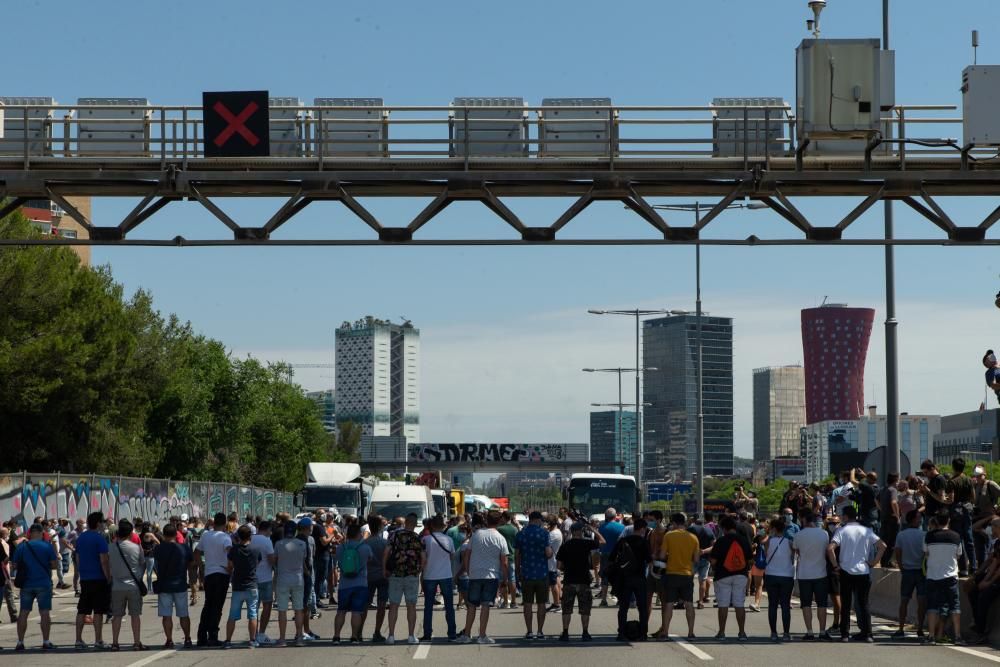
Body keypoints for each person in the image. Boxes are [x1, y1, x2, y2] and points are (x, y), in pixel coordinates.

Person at [827, 505, 886, 642]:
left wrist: (836, 566)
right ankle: (867, 634)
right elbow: (883, 546)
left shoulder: (841, 531)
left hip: (846, 571)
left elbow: (830, 549)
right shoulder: (866, 530)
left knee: (846, 604)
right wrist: (873, 562)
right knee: (864, 603)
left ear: (846, 517)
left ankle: (845, 634)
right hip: (863, 571)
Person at [457, 511, 509, 645]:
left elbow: (467, 554)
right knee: (486, 605)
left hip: (475, 574)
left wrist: (469, 570)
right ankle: (482, 635)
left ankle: (467, 634)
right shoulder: (500, 538)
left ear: (486, 520)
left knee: (472, 605)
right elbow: (504, 561)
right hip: (491, 575)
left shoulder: (476, 535)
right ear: (499, 522)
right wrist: (505, 578)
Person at [11, 523, 59, 651]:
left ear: (30, 533)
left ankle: (20, 642)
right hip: (43, 583)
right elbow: (54, 565)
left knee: (23, 613)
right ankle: (46, 641)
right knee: (44, 613)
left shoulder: (22, 547)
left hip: (26, 584)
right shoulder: (47, 546)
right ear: (41, 533)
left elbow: (14, 566)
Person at [556, 520, 603, 642]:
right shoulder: (586, 543)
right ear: (582, 531)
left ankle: (565, 632)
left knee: (567, 609)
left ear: (571, 531)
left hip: (569, 581)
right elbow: (603, 541)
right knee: (585, 609)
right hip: (584, 581)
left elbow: (559, 565)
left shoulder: (566, 545)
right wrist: (592, 529)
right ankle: (585, 633)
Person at [923, 510, 964, 645]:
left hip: (933, 575)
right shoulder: (956, 536)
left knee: (932, 606)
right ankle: (958, 636)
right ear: (948, 521)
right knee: (954, 605)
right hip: (951, 576)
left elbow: (926, 553)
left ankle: (931, 636)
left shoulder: (929, 536)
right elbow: (958, 555)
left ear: (936, 521)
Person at [708, 515, 752, 642]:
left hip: (723, 575)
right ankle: (742, 632)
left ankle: (721, 633)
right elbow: (750, 560)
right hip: (741, 575)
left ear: (724, 528)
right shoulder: (743, 540)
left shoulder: (720, 541)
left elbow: (714, 561)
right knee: (739, 604)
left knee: (723, 604)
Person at [608, 517, 651, 642]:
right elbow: (649, 561)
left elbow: (611, 558)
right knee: (642, 607)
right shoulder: (644, 542)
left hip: (624, 578)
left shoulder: (623, 541)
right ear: (642, 529)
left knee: (623, 607)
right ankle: (643, 634)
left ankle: (621, 633)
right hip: (639, 578)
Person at [153, 523, 194, 649]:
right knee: (183, 614)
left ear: (163, 535)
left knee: (166, 615)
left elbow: (156, 567)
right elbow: (191, 565)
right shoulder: (184, 548)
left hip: (164, 585)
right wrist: (192, 582)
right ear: (176, 534)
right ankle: (187, 638)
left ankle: (169, 640)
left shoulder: (158, 549)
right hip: (180, 584)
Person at [384, 513, 423, 645]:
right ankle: (411, 635)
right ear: (416, 523)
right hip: (412, 575)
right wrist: (419, 571)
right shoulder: (417, 538)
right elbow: (423, 557)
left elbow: (386, 552)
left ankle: (391, 636)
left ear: (405, 522)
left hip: (395, 574)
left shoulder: (394, 535)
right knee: (411, 606)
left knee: (394, 605)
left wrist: (384, 567)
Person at [74, 512, 111, 650]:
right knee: (99, 611)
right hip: (98, 578)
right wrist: (108, 577)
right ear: (98, 523)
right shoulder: (99, 539)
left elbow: (77, 558)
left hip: (85, 578)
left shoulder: (81, 538)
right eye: (102, 522)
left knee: (82, 610)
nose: (104, 524)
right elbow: (104, 560)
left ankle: (78, 639)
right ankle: (98, 640)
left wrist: (80, 573)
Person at [332, 523, 373, 645]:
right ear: (359, 534)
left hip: (344, 584)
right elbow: (370, 559)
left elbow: (337, 558)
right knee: (356, 612)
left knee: (341, 611)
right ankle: (354, 636)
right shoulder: (365, 548)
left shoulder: (341, 547)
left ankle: (336, 636)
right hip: (361, 584)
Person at [514, 511, 552, 640]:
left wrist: (518, 571)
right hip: (542, 573)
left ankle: (529, 631)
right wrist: (550, 551)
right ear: (537, 520)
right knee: (541, 603)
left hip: (527, 573)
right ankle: (540, 631)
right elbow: (548, 554)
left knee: (528, 604)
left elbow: (517, 555)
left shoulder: (521, 534)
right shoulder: (544, 533)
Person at [109, 520, 147, 651]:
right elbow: (143, 564)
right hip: (133, 586)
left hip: (116, 586)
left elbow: (108, 565)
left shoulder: (111, 547)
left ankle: (115, 643)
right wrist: (139, 577)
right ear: (130, 533)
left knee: (117, 616)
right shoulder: (136, 548)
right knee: (135, 615)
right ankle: (137, 642)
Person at [195, 512, 232, 647]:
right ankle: (213, 635)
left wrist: (201, 567)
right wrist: (230, 568)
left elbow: (197, 552)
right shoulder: (226, 537)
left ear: (214, 522)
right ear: (225, 523)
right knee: (217, 607)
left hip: (209, 574)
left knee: (208, 605)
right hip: (221, 573)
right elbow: (230, 552)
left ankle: (201, 635)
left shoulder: (206, 535)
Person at [793, 512, 831, 641]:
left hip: (804, 574)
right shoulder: (824, 534)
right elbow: (827, 550)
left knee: (806, 604)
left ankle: (809, 632)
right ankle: (822, 631)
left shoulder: (798, 535)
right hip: (821, 573)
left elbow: (797, 551)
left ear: (803, 519)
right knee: (822, 604)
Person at [420, 515, 457, 641]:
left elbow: (423, 558)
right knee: (449, 606)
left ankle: (427, 633)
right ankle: (452, 634)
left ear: (431, 526)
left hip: (429, 575)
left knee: (428, 606)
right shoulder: (449, 540)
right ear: (442, 526)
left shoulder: (425, 540)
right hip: (446, 574)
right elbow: (452, 557)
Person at [223, 525, 260, 648]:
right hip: (252, 584)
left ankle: (228, 641)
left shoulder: (234, 550)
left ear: (238, 536)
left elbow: (230, 566)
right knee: (253, 614)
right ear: (250, 536)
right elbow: (258, 563)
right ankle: (252, 640)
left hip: (238, 585)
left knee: (232, 615)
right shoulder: (255, 549)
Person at [893, 509, 927, 638]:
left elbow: (898, 553)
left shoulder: (901, 535)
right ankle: (920, 628)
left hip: (907, 571)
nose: (921, 520)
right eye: (919, 517)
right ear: (914, 519)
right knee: (921, 601)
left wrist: (902, 568)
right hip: (921, 572)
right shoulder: (924, 535)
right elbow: (926, 554)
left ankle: (901, 628)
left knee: (904, 600)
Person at [273, 520, 306, 647]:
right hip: (298, 578)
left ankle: (282, 639)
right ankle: (299, 637)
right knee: (298, 609)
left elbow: (275, 560)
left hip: (283, 578)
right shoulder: (302, 544)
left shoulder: (279, 544)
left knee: (282, 609)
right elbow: (303, 560)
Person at [762, 516, 795, 642]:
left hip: (771, 575)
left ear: (774, 529)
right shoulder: (790, 542)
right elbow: (793, 557)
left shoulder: (768, 542)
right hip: (787, 575)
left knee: (773, 605)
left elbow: (765, 554)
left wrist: (769, 534)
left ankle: (773, 633)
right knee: (785, 605)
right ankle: (786, 633)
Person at [968, 517, 1000, 643]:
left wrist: (988, 582)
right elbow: (994, 563)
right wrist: (983, 579)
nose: (991, 528)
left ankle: (981, 631)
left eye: (993, 526)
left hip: (998, 579)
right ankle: (977, 623)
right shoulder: (997, 543)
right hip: (995, 576)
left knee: (983, 598)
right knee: (973, 592)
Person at [361, 515, 389, 642]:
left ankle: (359, 631)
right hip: (383, 576)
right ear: (379, 527)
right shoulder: (384, 543)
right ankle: (377, 631)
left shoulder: (364, 544)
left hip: (367, 576)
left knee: (365, 605)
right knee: (381, 605)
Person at [249, 521, 276, 645]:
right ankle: (261, 633)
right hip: (265, 578)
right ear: (268, 529)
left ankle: (252, 635)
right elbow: (271, 560)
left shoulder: (250, 539)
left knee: (254, 607)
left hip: (252, 577)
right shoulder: (267, 541)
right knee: (267, 606)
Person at [949, 458, 977, 576]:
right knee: (969, 539)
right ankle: (974, 567)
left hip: (956, 511)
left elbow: (950, 499)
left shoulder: (952, 481)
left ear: (953, 467)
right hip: (967, 510)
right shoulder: (968, 480)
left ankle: (963, 569)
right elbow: (973, 497)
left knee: (959, 540)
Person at [972, 466, 1000, 567]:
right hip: (978, 518)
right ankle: (981, 566)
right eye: (976, 476)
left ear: (985, 474)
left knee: (989, 544)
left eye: (980, 476)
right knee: (979, 546)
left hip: (989, 519)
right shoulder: (975, 485)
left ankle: (989, 567)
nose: (978, 478)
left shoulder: (990, 484)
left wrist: (997, 509)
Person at [597, 508, 624, 607]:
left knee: (605, 577)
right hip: (617, 554)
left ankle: (604, 600)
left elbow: (599, 541)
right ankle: (619, 599)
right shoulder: (621, 527)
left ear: (606, 516)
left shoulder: (601, 527)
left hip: (605, 553)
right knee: (618, 576)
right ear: (615, 515)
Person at [687, 513, 716, 609]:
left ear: (694, 520)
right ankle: (700, 601)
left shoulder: (690, 529)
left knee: (688, 580)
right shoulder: (709, 530)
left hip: (692, 558)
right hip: (705, 558)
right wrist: (704, 551)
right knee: (702, 580)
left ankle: (688, 600)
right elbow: (713, 546)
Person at [496, 512, 519, 609]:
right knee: (512, 579)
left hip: (502, 557)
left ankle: (505, 602)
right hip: (512, 556)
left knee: (503, 579)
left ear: (504, 518)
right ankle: (513, 602)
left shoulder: (499, 529)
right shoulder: (515, 529)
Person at [878, 473, 901, 568]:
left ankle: (883, 561)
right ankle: (888, 562)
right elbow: (894, 502)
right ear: (895, 480)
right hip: (892, 520)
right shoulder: (893, 490)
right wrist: (897, 516)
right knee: (892, 541)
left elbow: (876, 500)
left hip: (884, 519)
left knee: (884, 540)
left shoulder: (883, 489)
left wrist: (882, 509)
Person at [546, 515, 563, 613]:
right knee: (556, 581)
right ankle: (557, 602)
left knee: (553, 584)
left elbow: (545, 544)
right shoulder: (557, 532)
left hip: (551, 562)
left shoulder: (553, 534)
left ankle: (557, 604)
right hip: (554, 561)